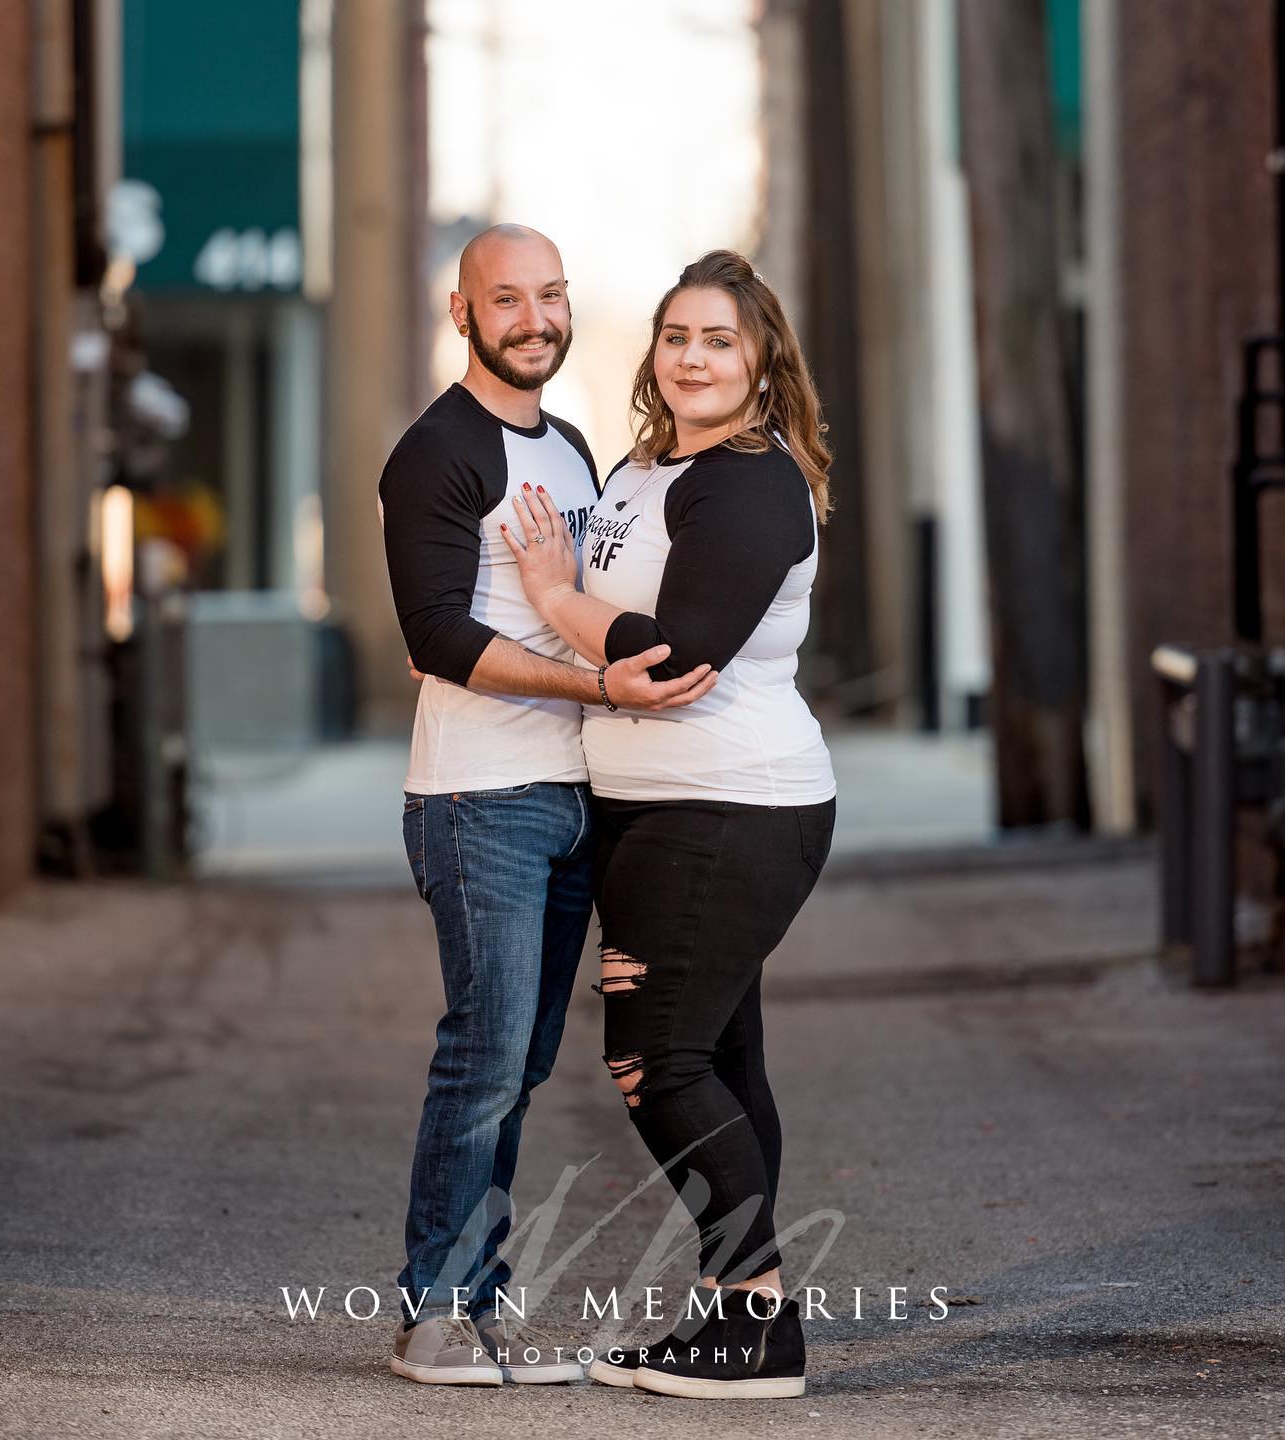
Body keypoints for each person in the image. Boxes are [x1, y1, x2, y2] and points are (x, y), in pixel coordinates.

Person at [377, 224, 717, 1387]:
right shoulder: (436, 454)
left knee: (520, 1061)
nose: (535, 319)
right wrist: (592, 682)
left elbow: (579, 598)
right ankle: (433, 1318)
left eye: (552, 296)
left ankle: (479, 1303)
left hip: (575, 796)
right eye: (507, 299)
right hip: (482, 797)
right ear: (462, 312)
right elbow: (436, 637)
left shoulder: (571, 449)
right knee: (483, 1053)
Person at [500, 249, 837, 1400]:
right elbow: (629, 634)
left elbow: (679, 652)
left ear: (761, 363)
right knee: (722, 1056)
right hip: (658, 805)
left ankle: (760, 1321)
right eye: (677, 336)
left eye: (721, 342)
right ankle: (735, 1318)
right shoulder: (652, 463)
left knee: (656, 1059)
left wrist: (554, 599)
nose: (694, 358)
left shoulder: (748, 480)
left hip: (730, 804)